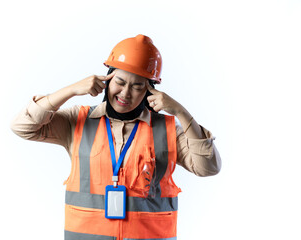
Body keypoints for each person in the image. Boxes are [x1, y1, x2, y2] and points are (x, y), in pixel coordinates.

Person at [11, 34, 221, 240]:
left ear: (150, 91)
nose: (125, 93)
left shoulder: (168, 130)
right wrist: (71, 90)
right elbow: (23, 126)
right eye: (119, 81)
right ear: (107, 78)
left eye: (138, 86)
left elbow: (208, 167)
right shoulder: (78, 120)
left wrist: (181, 113)